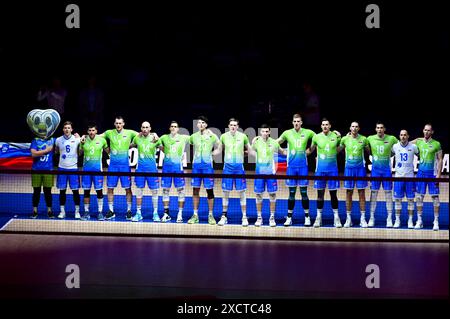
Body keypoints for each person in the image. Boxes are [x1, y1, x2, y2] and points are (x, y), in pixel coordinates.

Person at [276, 114, 315, 227]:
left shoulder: (308, 132)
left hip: (303, 167)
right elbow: (275, 143)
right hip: (291, 168)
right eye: (294, 121)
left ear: (301, 122)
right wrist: (283, 152)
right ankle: (289, 217)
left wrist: (310, 150)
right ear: (292, 122)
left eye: (298, 121)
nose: (296, 123)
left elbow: (319, 138)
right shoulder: (287, 133)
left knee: (303, 193)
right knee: (291, 193)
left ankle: (307, 217)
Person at [101, 116, 138, 220]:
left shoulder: (130, 132)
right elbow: (98, 136)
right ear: (114, 124)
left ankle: (129, 211)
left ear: (123, 124)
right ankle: (111, 211)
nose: (118, 125)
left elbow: (142, 134)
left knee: (128, 189)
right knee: (110, 188)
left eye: (120, 123)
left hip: (125, 166)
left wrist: (154, 134)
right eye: (116, 123)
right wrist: (83, 136)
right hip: (112, 166)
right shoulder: (109, 132)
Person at [216, 118, 252, 226]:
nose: (233, 126)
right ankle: (224, 216)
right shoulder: (223, 136)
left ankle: (244, 216)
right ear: (228, 126)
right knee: (225, 192)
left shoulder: (243, 136)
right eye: (231, 125)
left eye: (235, 125)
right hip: (227, 168)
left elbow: (249, 150)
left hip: (239, 169)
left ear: (237, 126)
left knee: (242, 192)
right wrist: (211, 153)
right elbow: (219, 150)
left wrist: (244, 154)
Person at [250, 124, 286, 227]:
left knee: (272, 195)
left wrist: (293, 153)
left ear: (269, 132)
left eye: (267, 131)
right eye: (263, 131)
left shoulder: (274, 143)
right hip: (259, 173)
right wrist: (252, 143)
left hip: (271, 173)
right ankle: (259, 217)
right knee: (258, 195)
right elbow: (251, 152)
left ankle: (272, 217)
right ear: (260, 132)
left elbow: (282, 152)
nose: (265, 133)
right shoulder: (256, 142)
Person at [308, 118, 342, 228]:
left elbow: (339, 149)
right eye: (323, 125)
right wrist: (298, 155)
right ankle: (318, 218)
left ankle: (336, 218)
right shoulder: (316, 137)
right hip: (320, 171)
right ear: (321, 126)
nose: (325, 126)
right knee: (320, 195)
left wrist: (340, 136)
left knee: (333, 195)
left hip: (333, 171)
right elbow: (311, 150)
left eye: (327, 124)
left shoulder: (336, 136)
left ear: (330, 126)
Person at [187, 116, 220, 225]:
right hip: (196, 167)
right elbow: (188, 142)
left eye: (203, 123)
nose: (201, 124)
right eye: (199, 123)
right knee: (195, 190)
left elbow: (220, 146)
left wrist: (213, 153)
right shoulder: (193, 137)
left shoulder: (212, 136)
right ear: (197, 125)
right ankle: (195, 215)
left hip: (207, 167)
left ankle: (211, 215)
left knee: (209, 191)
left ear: (206, 125)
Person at [366, 122, 398, 227]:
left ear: (384, 129)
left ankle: (389, 218)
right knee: (373, 194)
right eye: (378, 128)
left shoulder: (392, 139)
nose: (379, 130)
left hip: (386, 172)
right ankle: (371, 217)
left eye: (381, 128)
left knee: (388, 194)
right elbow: (361, 144)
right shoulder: (370, 138)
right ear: (375, 129)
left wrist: (390, 155)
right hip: (375, 171)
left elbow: (400, 146)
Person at [159, 121, 190, 223]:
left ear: (178, 129)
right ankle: (166, 213)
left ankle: (179, 214)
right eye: (171, 126)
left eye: (175, 126)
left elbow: (196, 139)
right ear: (169, 128)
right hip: (166, 169)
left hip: (178, 169)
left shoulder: (184, 138)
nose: (173, 128)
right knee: (165, 191)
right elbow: (157, 144)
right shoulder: (163, 138)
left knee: (181, 191)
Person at [339, 122, 369, 228]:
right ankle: (348, 219)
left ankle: (363, 218)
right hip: (349, 169)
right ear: (350, 128)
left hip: (360, 169)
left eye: (356, 126)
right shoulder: (344, 139)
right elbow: (338, 150)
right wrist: (337, 136)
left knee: (361, 193)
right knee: (348, 193)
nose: (354, 128)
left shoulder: (364, 139)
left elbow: (369, 151)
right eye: (353, 126)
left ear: (359, 128)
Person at [413, 124, 443, 231]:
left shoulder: (436, 144)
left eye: (428, 130)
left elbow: (440, 160)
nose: (426, 132)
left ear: (432, 132)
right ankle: (419, 220)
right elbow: (407, 143)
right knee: (419, 197)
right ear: (423, 131)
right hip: (421, 173)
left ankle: (436, 221)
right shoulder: (419, 142)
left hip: (432, 174)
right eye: (425, 130)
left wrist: (438, 175)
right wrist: (418, 139)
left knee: (435, 198)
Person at [130, 121, 161, 222]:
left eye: (147, 127)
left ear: (150, 128)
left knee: (154, 192)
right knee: (139, 191)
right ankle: (138, 213)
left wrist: (157, 136)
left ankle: (155, 213)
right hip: (140, 169)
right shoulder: (137, 138)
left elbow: (164, 149)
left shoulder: (155, 138)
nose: (145, 129)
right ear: (141, 128)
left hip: (152, 169)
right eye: (143, 127)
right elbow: (130, 145)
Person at [80, 124, 109, 220]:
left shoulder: (102, 140)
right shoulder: (83, 140)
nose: (91, 132)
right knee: (86, 192)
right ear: (87, 131)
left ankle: (100, 212)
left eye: (93, 130)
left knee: (99, 192)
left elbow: (109, 152)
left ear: (96, 131)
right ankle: (86, 212)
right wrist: (81, 143)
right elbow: (79, 153)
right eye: (90, 130)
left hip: (98, 171)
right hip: (86, 171)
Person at [391, 130, 419, 228]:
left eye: (405, 135)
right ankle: (397, 220)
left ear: (408, 136)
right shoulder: (395, 147)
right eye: (401, 135)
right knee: (398, 200)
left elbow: (421, 155)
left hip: (410, 178)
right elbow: (388, 155)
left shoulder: (413, 147)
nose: (403, 137)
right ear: (399, 136)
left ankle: (410, 221)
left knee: (411, 200)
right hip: (398, 178)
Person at [55, 121, 81, 219]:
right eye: (65, 128)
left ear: (72, 129)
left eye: (69, 128)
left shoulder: (77, 139)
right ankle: (62, 212)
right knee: (62, 191)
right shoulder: (58, 140)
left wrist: (80, 137)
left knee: (75, 192)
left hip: (73, 169)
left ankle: (77, 212)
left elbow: (87, 138)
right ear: (63, 129)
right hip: (62, 169)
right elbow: (57, 151)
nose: (67, 129)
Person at [30, 134, 56, 218]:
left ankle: (49, 211)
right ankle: (35, 211)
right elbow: (33, 154)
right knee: (36, 191)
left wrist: (78, 136)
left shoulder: (53, 140)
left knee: (48, 192)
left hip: (48, 170)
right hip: (36, 170)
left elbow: (65, 137)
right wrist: (46, 150)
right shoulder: (35, 140)